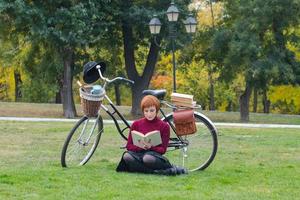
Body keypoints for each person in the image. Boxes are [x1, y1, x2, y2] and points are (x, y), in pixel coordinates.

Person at [116, 95, 187, 175]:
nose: (149, 114)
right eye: (146, 111)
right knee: (126, 156)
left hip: (153, 155)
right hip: (139, 154)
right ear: (143, 111)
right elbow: (129, 146)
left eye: (152, 110)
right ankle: (157, 172)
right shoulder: (136, 124)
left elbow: (163, 150)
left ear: (156, 110)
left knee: (147, 159)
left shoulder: (164, 126)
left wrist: (151, 147)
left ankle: (143, 169)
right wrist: (141, 147)